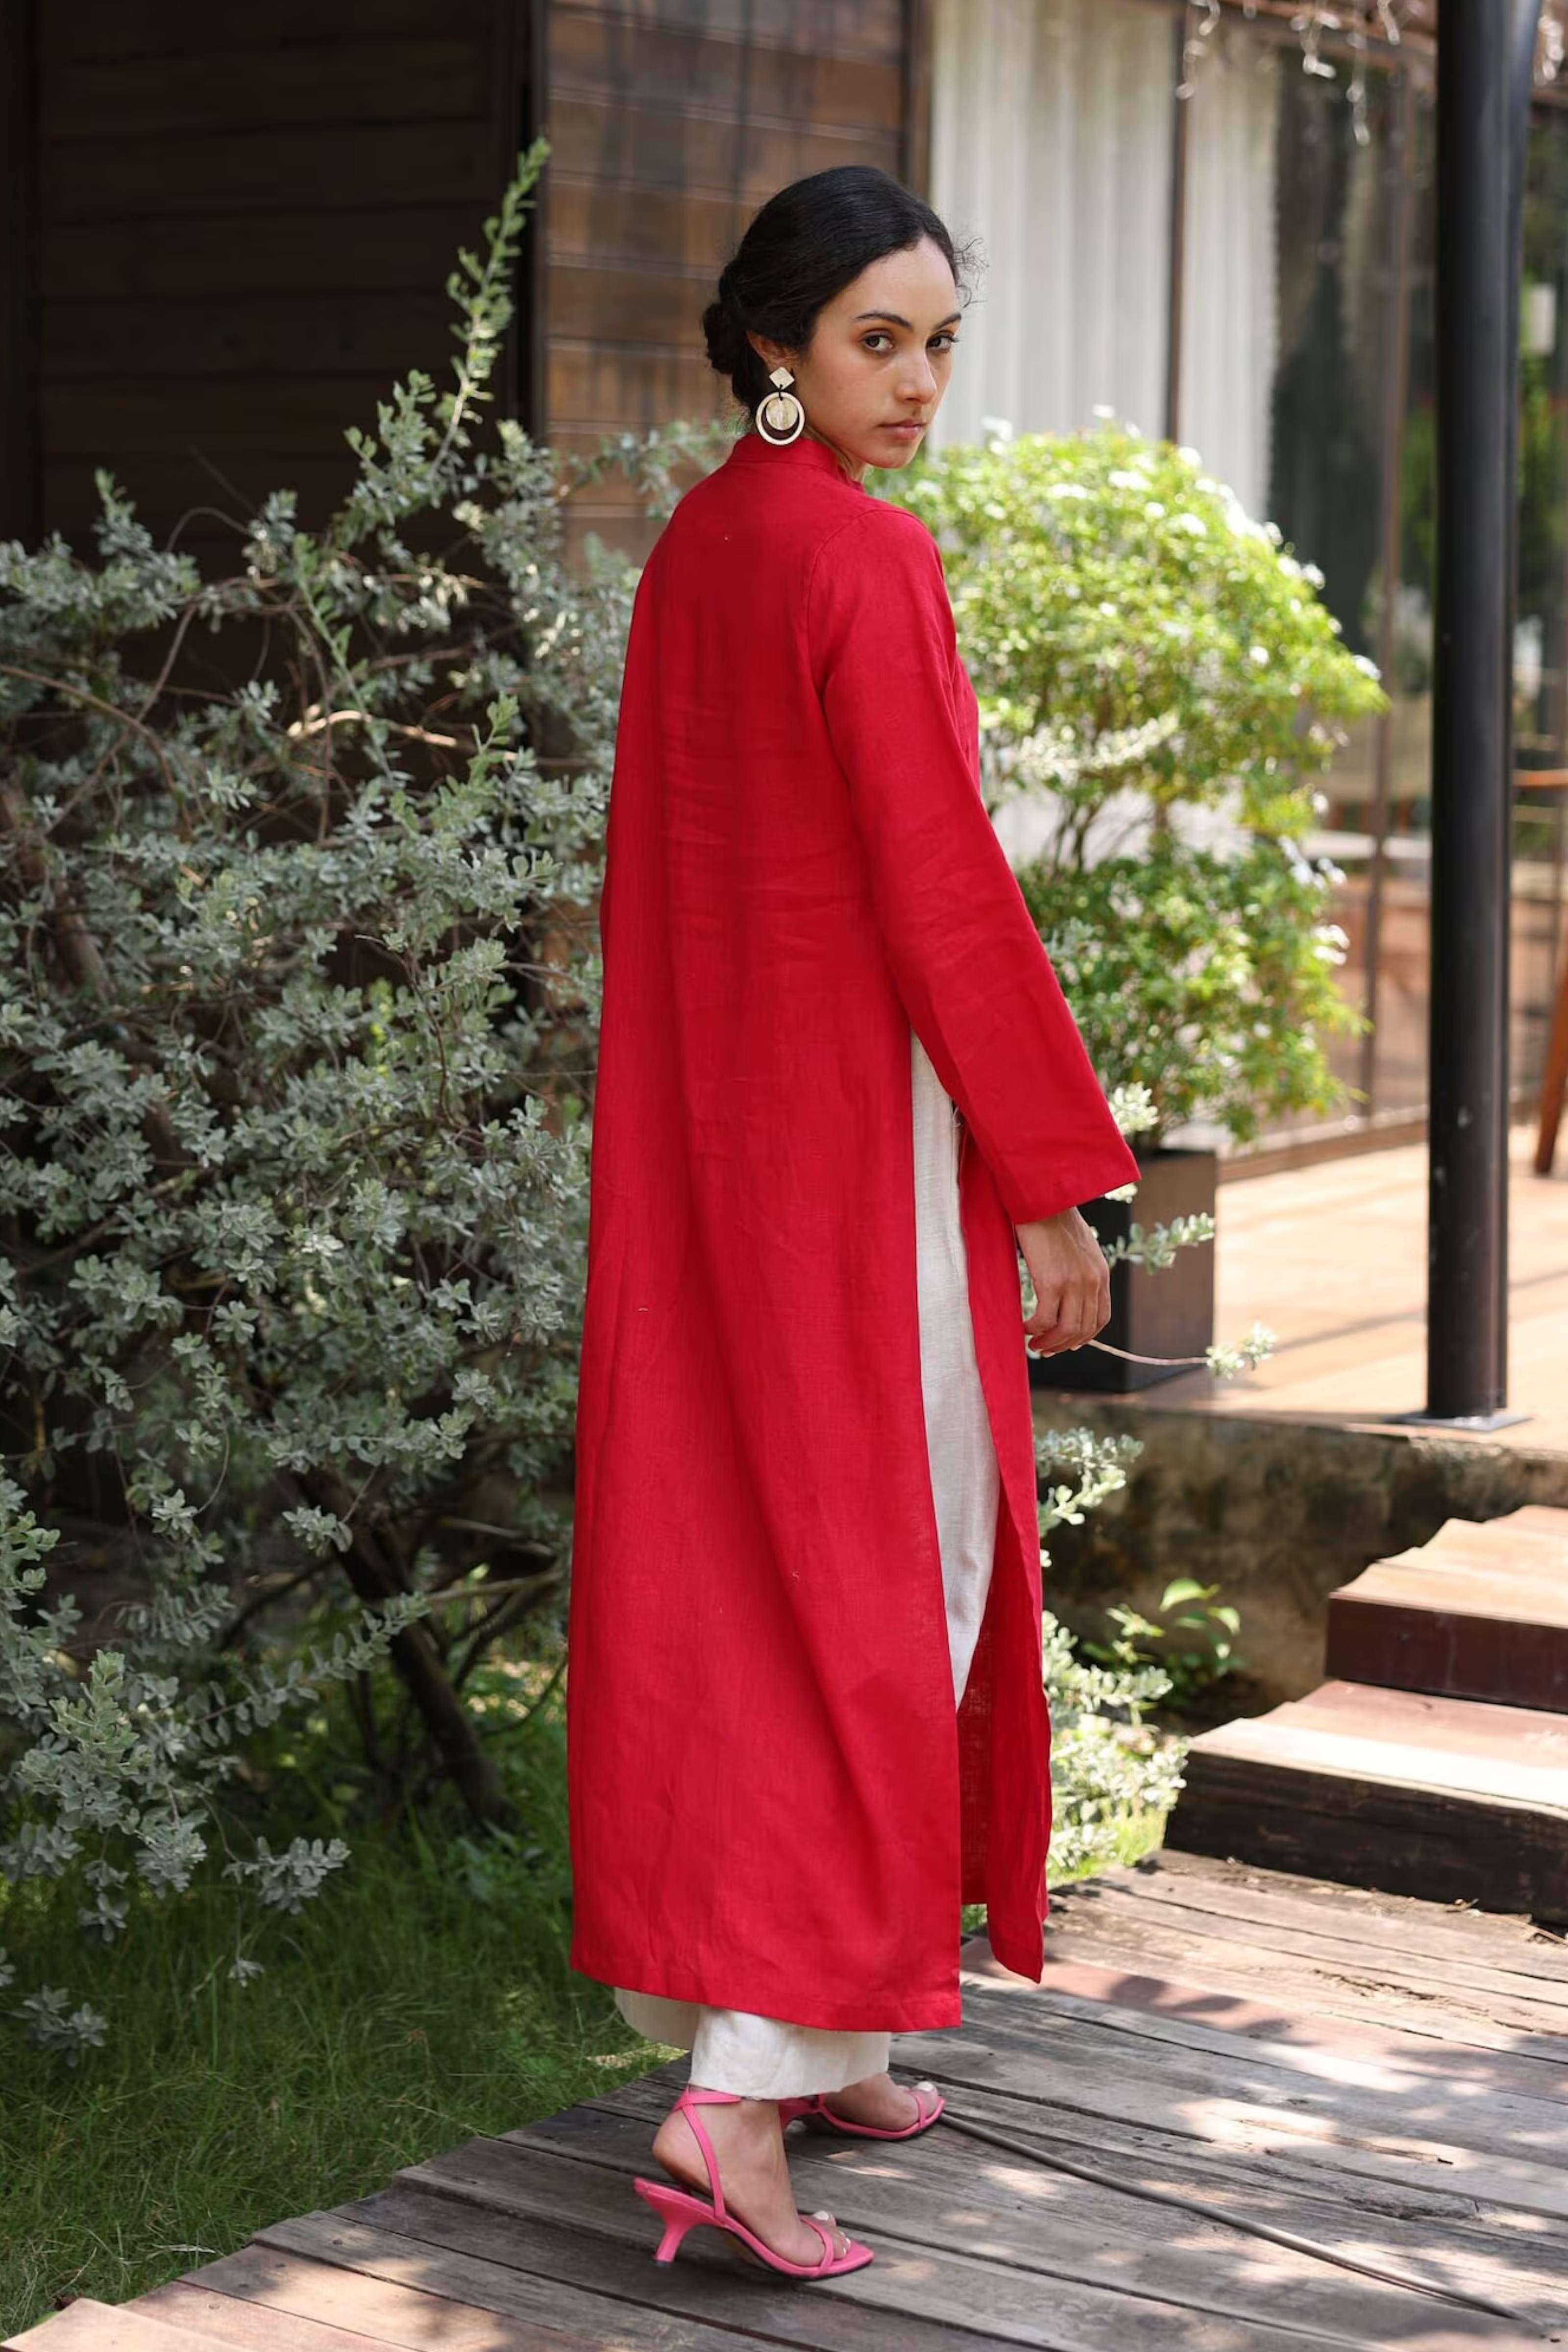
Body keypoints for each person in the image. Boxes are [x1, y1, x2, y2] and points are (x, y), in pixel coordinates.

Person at [565, 163, 1139, 2279]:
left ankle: (831, 2031)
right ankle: (739, 2094)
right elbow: (942, 896)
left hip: (717, 1156)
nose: (916, 383)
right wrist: (1048, 1185)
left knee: (749, 1585)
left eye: (937, 344)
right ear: (773, 350)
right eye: (875, 341)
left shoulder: (698, 549)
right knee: (908, 1579)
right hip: (859, 1163)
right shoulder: (862, 561)